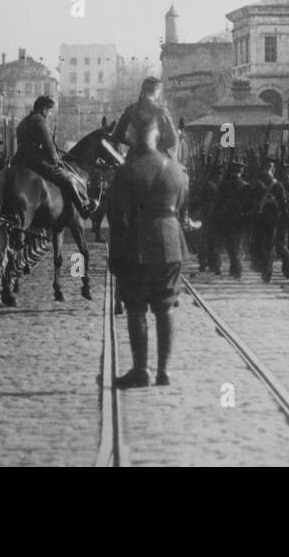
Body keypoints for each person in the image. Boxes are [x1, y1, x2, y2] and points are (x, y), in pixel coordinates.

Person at [105, 114, 188, 388]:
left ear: (135, 139)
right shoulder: (177, 170)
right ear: (156, 137)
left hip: (136, 245)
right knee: (165, 307)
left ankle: (141, 369)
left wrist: (115, 257)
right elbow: (183, 209)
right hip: (171, 245)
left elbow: (116, 218)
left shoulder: (126, 171)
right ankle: (164, 370)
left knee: (136, 307)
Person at [13, 96, 90, 215]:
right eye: (48, 111)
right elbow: (48, 145)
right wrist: (56, 160)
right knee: (68, 179)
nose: (48, 114)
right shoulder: (39, 122)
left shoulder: (23, 122)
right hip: (35, 163)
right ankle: (82, 207)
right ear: (43, 109)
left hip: (18, 161)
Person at [111, 77, 179, 154]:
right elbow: (173, 140)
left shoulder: (130, 110)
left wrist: (134, 144)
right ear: (156, 91)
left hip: (134, 157)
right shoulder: (161, 111)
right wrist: (157, 147)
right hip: (157, 158)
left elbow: (117, 135)